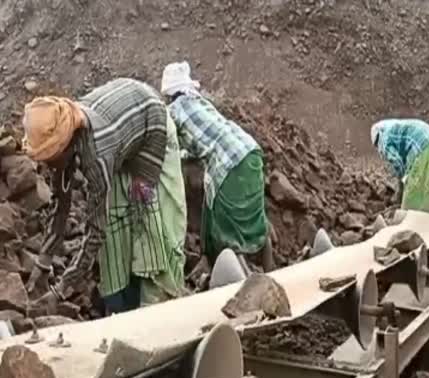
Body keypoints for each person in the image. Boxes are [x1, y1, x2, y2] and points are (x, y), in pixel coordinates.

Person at [22, 78, 188, 314]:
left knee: (147, 214)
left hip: (152, 124)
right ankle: (121, 304)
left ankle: (157, 303)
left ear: (64, 147)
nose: (47, 164)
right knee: (117, 231)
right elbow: (61, 204)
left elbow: (95, 230)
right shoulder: (65, 134)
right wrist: (43, 261)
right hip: (122, 128)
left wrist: (61, 290)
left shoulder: (97, 155)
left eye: (49, 157)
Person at [161, 61, 273, 271]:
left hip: (229, 162)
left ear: (168, 94)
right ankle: (270, 268)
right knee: (255, 217)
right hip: (250, 152)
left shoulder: (172, 112)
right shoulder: (200, 101)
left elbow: (168, 148)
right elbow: (200, 144)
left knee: (226, 227)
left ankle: (241, 277)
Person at [370, 118, 429, 214]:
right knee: (427, 183)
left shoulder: (383, 140)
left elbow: (397, 162)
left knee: (412, 187)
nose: (378, 149)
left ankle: (409, 218)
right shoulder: (391, 128)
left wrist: (403, 182)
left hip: (420, 144)